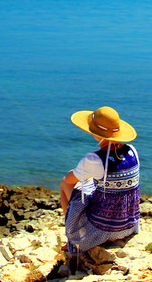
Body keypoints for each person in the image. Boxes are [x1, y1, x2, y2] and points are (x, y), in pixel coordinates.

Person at [59, 106, 140, 264]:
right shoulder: (132, 151)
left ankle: (74, 236)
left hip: (104, 231)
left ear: (96, 133)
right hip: (129, 226)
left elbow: (69, 180)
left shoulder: (94, 159)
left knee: (64, 183)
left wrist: (77, 172)